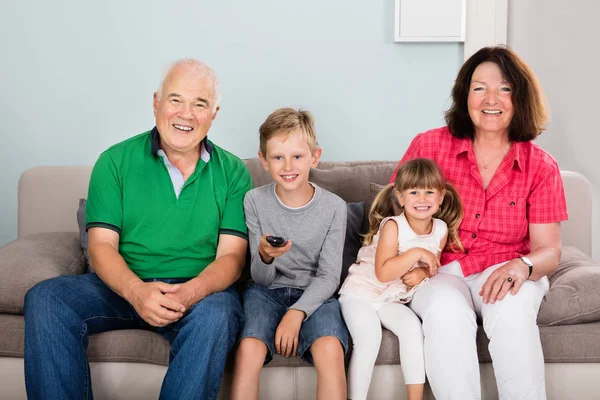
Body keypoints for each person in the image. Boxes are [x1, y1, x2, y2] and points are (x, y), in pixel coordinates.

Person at [23, 59, 252, 400]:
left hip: (199, 294)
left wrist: (190, 292)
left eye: (199, 104)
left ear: (214, 113)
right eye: (176, 100)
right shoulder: (115, 161)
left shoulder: (233, 172)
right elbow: (101, 247)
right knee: (46, 298)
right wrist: (136, 291)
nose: (185, 114)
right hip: (122, 286)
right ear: (156, 102)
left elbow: (232, 256)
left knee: (220, 313)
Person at [391, 46, 568, 399]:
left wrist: (523, 266)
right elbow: (392, 218)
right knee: (445, 313)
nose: (491, 99)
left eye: (504, 88)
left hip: (505, 268)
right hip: (440, 271)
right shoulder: (429, 146)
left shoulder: (541, 165)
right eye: (478, 88)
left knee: (513, 311)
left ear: (520, 96)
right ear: (464, 95)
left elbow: (549, 250)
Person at [230, 108, 349, 400]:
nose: (288, 166)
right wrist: (266, 256)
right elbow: (259, 276)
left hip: (316, 294)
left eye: (297, 156)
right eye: (277, 157)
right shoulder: (254, 200)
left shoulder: (334, 207)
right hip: (265, 291)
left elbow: (329, 275)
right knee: (249, 349)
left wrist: (297, 313)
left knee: (331, 348)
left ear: (314, 157)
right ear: (264, 161)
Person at [339, 158, 463, 400]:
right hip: (360, 293)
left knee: (412, 330)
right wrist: (415, 253)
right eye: (414, 192)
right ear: (400, 197)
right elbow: (383, 273)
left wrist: (423, 272)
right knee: (368, 337)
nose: (422, 199)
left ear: (441, 197)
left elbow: (431, 266)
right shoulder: (393, 226)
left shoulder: (440, 229)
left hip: (391, 298)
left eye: (429, 192)